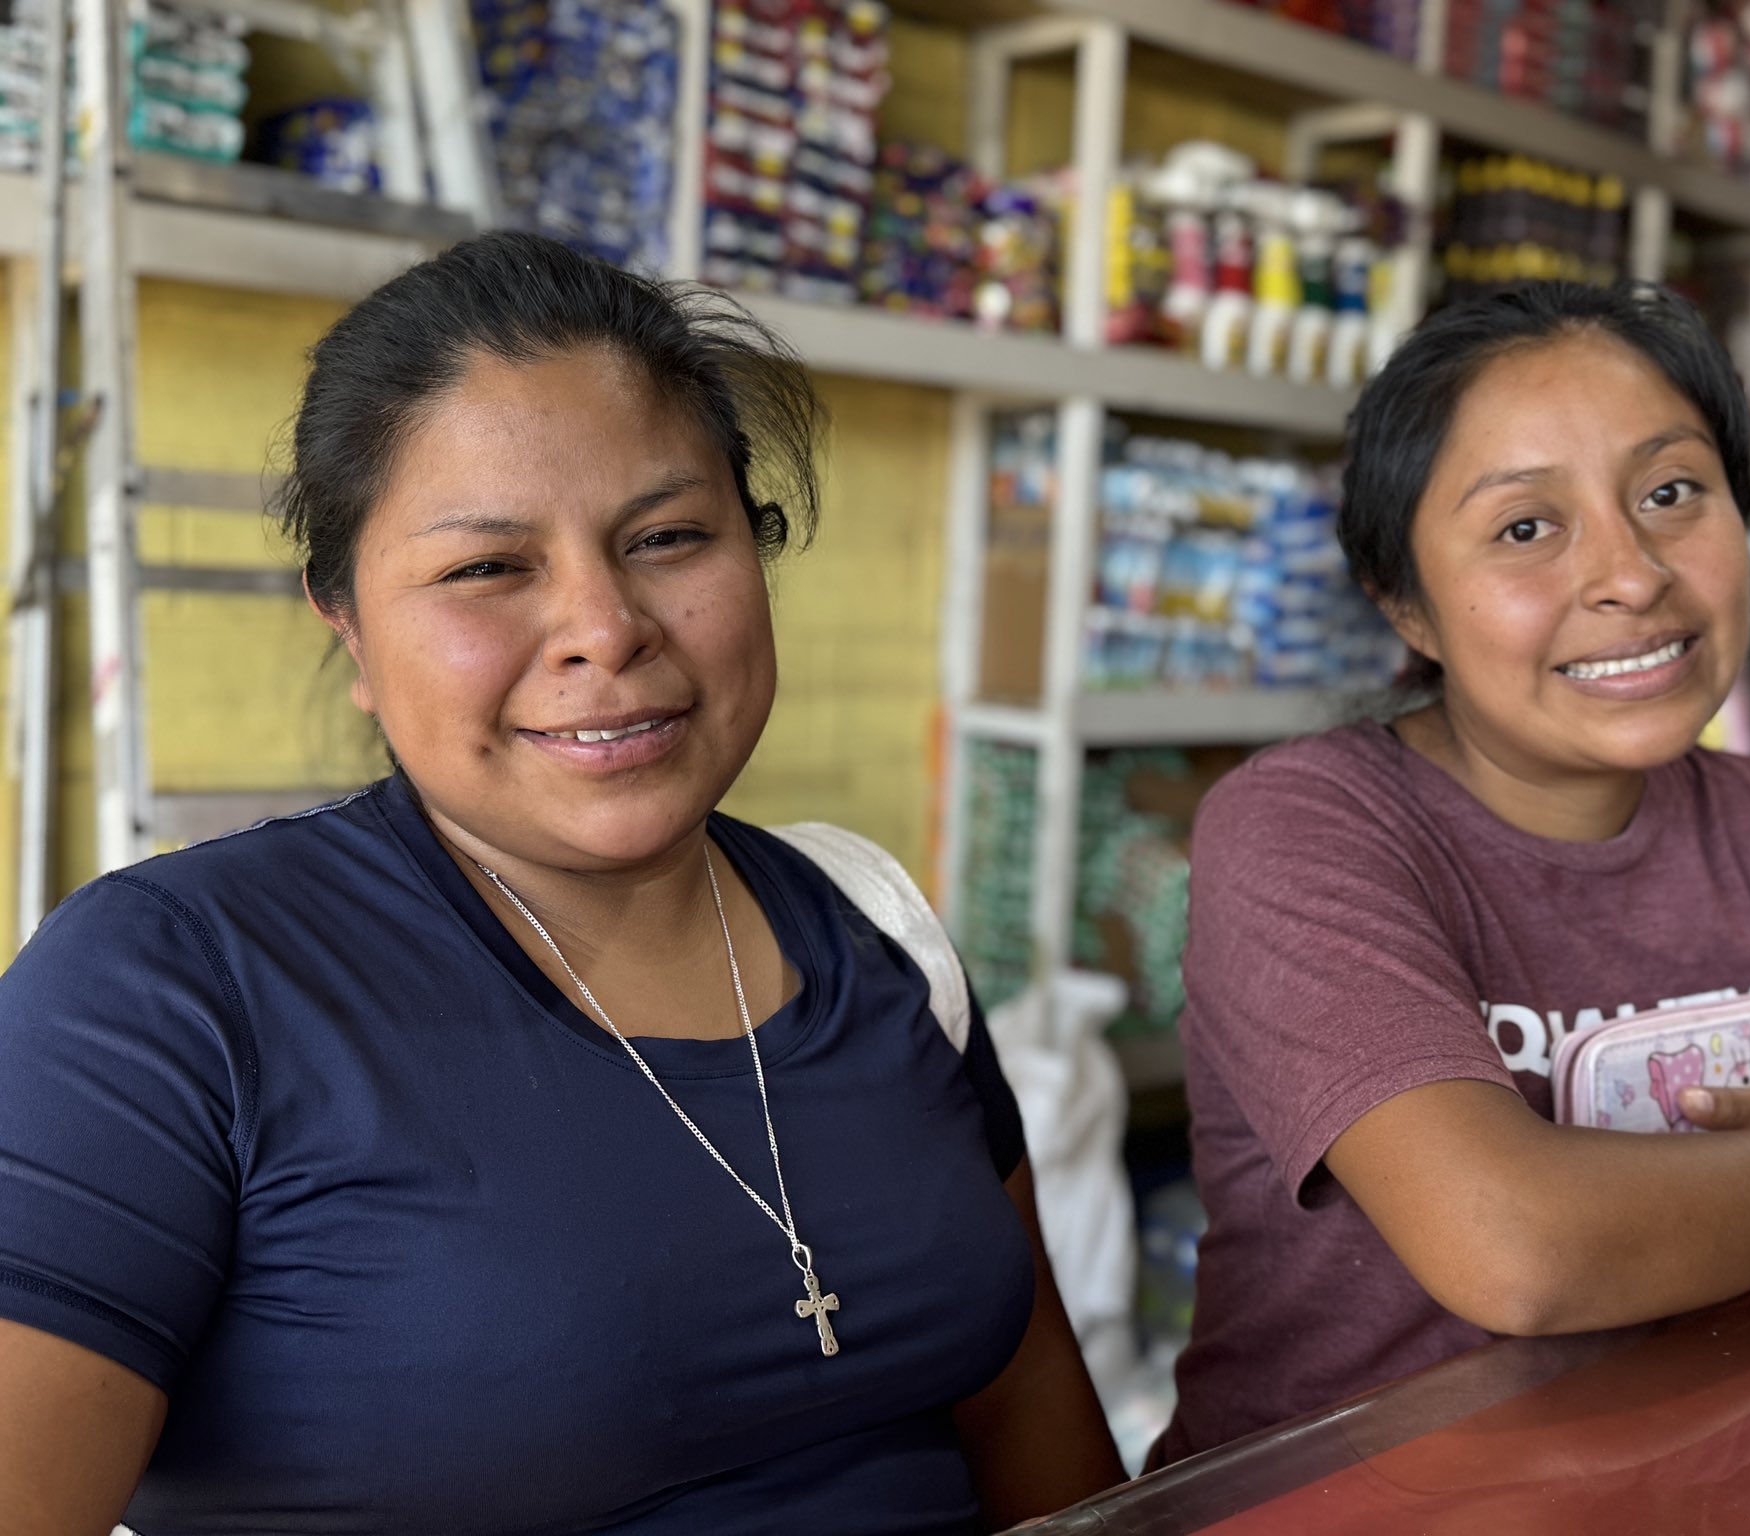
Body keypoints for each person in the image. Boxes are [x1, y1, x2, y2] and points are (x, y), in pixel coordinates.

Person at [0, 230, 1123, 1534]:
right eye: (488, 568)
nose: (605, 628)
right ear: (348, 626)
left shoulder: (874, 928)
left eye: (668, 537)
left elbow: (1041, 1452)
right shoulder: (165, 993)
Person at [1157, 280, 1750, 1464]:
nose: (1630, 574)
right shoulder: (1304, 827)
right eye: (1525, 527)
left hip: (1689, 1473)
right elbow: (1513, 1250)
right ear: (1405, 604)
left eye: (1671, 493)